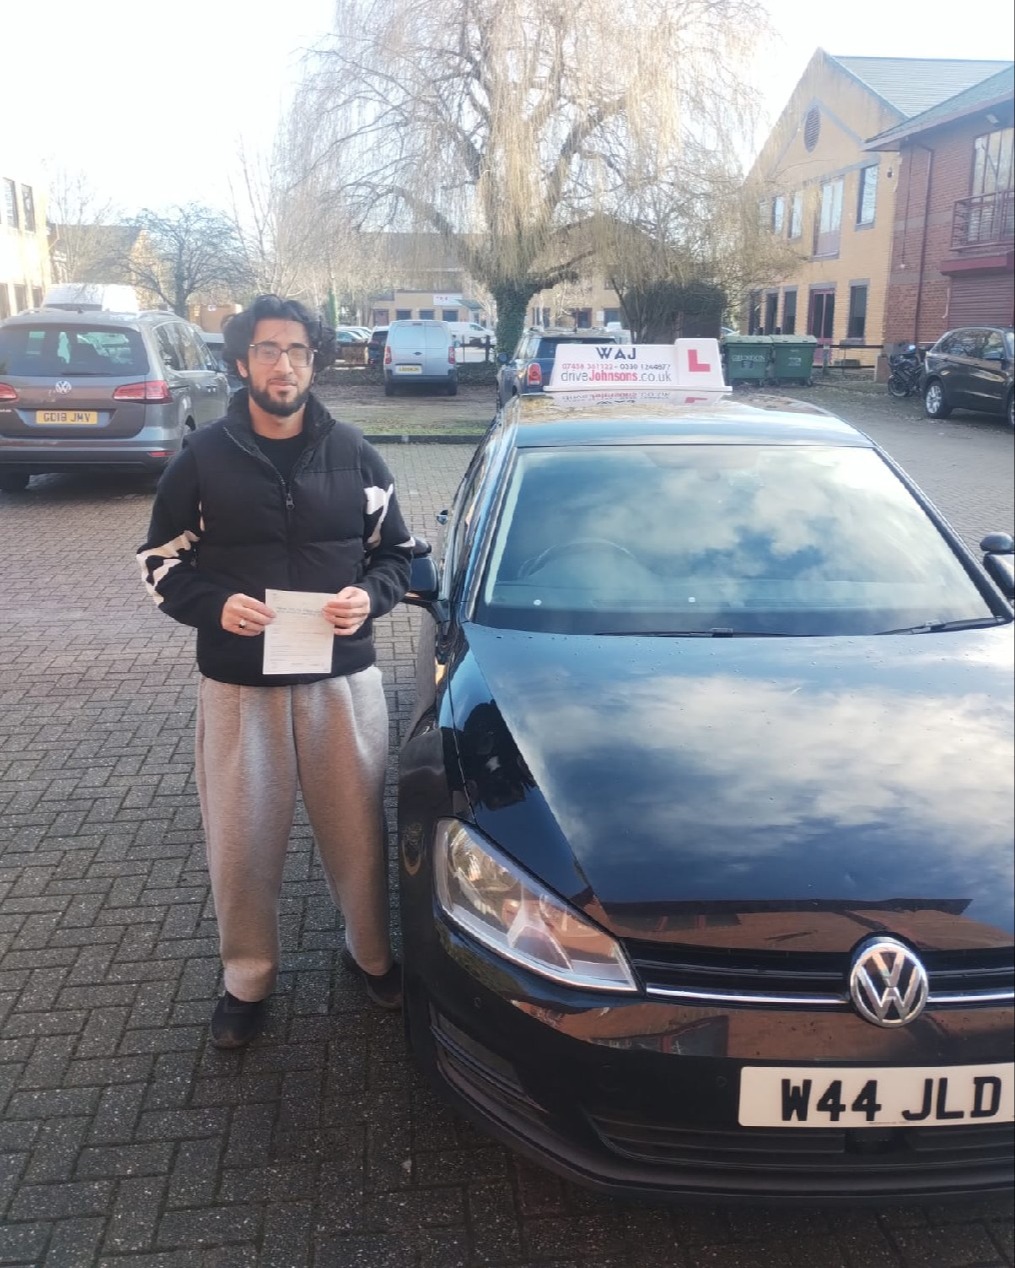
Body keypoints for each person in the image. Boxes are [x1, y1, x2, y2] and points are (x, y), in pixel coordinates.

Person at [137, 294, 414, 1048]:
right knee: (241, 840)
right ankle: (247, 979)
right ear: (240, 363)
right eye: (266, 350)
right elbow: (159, 564)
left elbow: (397, 555)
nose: (282, 364)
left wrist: (371, 595)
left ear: (313, 361)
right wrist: (213, 605)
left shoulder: (356, 453)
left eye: (295, 350)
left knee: (357, 833)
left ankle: (370, 954)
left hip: (340, 682)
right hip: (238, 685)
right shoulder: (201, 460)